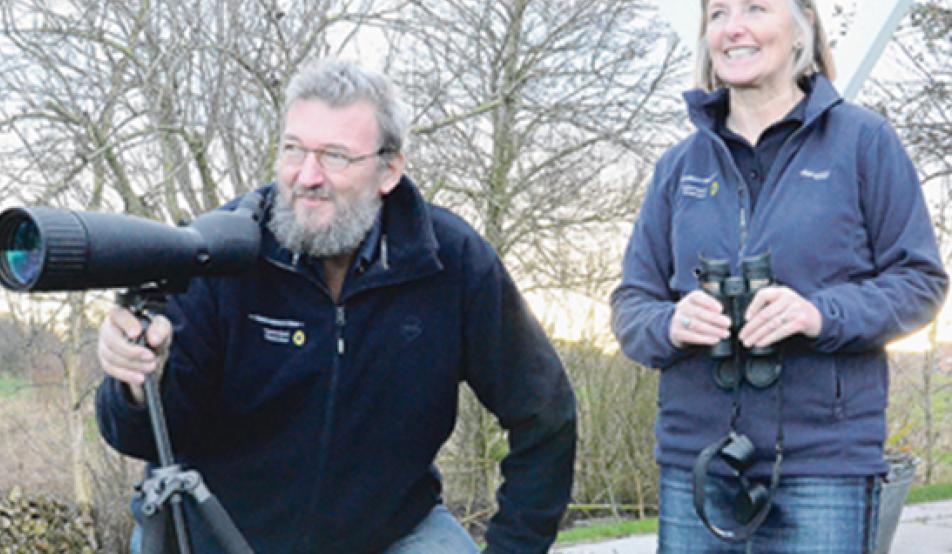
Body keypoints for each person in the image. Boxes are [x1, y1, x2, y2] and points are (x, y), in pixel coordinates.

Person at [95, 59, 577, 554]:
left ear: (388, 169)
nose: (307, 176)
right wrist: (135, 386)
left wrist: (514, 547)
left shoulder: (450, 261)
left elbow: (546, 414)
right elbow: (140, 437)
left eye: (335, 156)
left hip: (390, 532)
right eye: (294, 149)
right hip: (219, 534)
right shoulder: (216, 252)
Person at [611, 1, 947, 552]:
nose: (732, 27)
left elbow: (920, 282)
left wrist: (820, 314)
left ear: (803, 28)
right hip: (696, 461)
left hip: (824, 465)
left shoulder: (864, 143)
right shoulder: (679, 166)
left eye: (755, 8)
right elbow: (632, 302)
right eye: (717, 13)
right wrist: (671, 322)